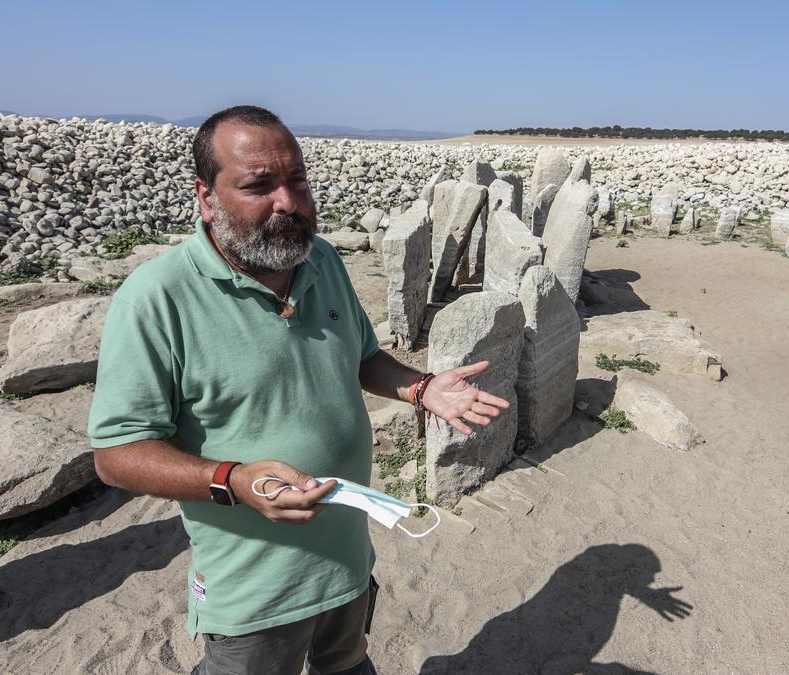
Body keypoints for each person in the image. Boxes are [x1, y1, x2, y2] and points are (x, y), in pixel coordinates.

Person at [87, 105, 509, 675]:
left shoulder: (322, 259)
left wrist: (421, 388)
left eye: (298, 180)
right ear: (206, 196)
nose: (287, 201)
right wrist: (234, 481)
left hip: (346, 559)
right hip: (256, 588)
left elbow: (359, 357)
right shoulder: (156, 299)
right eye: (258, 186)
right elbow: (117, 454)